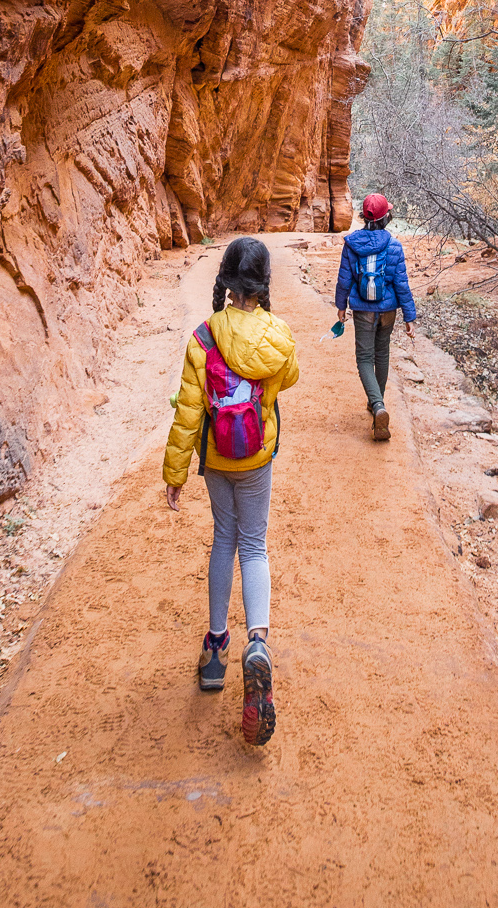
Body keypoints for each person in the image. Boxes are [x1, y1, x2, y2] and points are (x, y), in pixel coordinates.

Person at [163, 236, 299, 745]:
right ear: (263, 285)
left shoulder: (203, 338)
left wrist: (175, 473)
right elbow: (289, 377)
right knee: (254, 545)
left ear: (224, 279)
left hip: (217, 459)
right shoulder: (278, 335)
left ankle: (217, 651)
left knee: (224, 540)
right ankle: (258, 643)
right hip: (257, 457)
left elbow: (187, 414)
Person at [334, 192, 416, 441]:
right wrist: (409, 316)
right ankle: (376, 403)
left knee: (364, 358)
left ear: (364, 216)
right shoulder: (394, 245)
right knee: (382, 354)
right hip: (388, 309)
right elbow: (401, 283)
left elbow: (344, 278)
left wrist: (340, 306)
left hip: (363, 309)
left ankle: (377, 405)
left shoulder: (351, 243)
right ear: (386, 217)